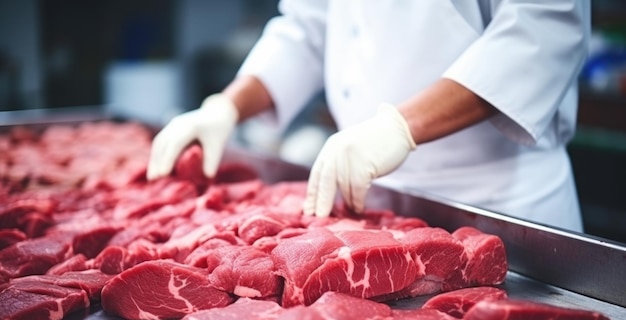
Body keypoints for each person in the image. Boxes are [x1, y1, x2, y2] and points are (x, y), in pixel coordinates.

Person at [147, 0, 590, 232]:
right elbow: (306, 27)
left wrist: (401, 126)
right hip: (371, 206)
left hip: (501, 206)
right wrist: (227, 106)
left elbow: (541, 28)